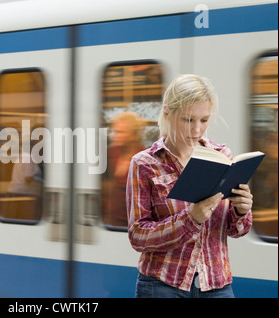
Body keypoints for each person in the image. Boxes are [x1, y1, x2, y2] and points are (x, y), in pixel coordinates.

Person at [127, 74, 253, 298]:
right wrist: (190, 218)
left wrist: (242, 211)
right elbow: (137, 236)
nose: (197, 130)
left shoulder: (222, 156)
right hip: (162, 285)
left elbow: (236, 230)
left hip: (216, 284)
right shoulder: (145, 163)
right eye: (188, 120)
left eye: (204, 120)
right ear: (167, 112)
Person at [103, 112, 145, 228]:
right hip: (110, 226)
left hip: (132, 229)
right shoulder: (110, 154)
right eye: (113, 131)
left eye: (119, 132)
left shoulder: (145, 159)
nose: (113, 135)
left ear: (134, 135)